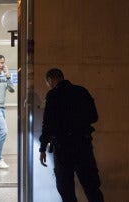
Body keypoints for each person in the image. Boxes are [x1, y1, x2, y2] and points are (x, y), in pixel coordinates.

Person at [39, 68, 104, 202]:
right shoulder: (82, 91)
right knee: (91, 187)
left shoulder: (52, 95)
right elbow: (94, 116)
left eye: (48, 83)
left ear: (50, 80)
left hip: (63, 148)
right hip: (83, 145)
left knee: (66, 189)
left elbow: (47, 125)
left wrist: (42, 148)